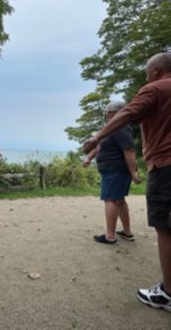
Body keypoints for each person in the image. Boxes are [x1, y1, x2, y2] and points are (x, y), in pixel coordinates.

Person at [83, 52, 171, 312]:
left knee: (164, 226)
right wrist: (91, 155)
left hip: (165, 165)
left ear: (155, 70)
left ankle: (167, 293)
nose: (145, 75)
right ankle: (125, 232)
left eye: (147, 70)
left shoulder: (155, 89)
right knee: (119, 201)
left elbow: (129, 133)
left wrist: (96, 136)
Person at [83, 101, 140, 245]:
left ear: (117, 113)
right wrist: (89, 158)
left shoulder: (120, 127)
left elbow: (129, 149)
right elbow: (99, 145)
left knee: (111, 199)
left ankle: (110, 236)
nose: (106, 116)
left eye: (109, 113)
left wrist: (133, 172)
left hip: (115, 170)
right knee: (119, 200)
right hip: (114, 170)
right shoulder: (112, 128)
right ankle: (127, 232)